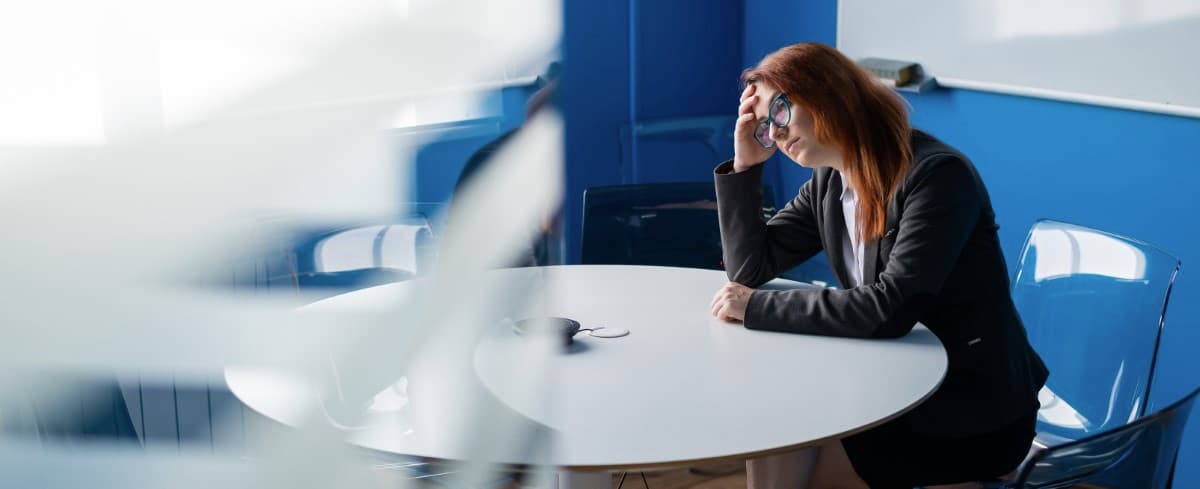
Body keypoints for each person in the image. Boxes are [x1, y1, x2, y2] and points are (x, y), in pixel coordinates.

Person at [708, 42, 1049, 489]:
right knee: (777, 422)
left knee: (795, 455)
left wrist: (756, 307)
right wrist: (745, 165)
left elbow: (892, 307)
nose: (776, 131)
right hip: (886, 386)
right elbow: (750, 268)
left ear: (827, 93)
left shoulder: (936, 176)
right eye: (765, 125)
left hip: (968, 409)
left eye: (780, 110)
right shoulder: (830, 180)